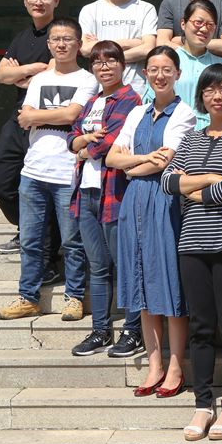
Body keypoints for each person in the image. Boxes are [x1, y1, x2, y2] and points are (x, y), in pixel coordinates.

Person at [162, 64, 222, 441]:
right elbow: (167, 181)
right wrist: (208, 179)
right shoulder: (191, 139)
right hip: (191, 243)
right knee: (201, 328)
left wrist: (194, 191)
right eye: (209, 90)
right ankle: (203, 405)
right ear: (201, 97)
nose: (217, 96)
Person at [107, 45, 197, 397]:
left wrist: (132, 164)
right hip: (133, 203)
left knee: (169, 282)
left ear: (177, 74)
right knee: (142, 284)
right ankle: (154, 366)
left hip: (164, 200)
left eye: (167, 69)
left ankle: (175, 367)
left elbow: (165, 162)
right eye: (153, 69)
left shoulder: (184, 113)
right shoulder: (137, 112)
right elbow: (112, 158)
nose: (160, 75)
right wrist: (139, 162)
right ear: (145, 74)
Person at [0, 17, 97, 321]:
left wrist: (39, 116)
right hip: (33, 171)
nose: (61, 44)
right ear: (49, 44)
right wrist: (47, 115)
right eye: (56, 39)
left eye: (68, 39)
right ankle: (28, 297)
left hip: (67, 172)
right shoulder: (39, 79)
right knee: (29, 241)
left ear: (79, 44)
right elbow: (23, 116)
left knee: (72, 242)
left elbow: (71, 115)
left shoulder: (87, 80)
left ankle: (74, 297)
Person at [66, 41, 143, 358]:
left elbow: (108, 144)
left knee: (126, 264)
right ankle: (100, 331)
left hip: (114, 192)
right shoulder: (91, 101)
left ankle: (133, 331)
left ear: (122, 65)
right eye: (98, 62)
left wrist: (83, 147)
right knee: (97, 267)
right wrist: (84, 142)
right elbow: (71, 138)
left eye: (111, 60)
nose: (104, 66)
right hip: (85, 192)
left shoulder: (130, 100)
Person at [0, 0, 62, 283]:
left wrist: (22, 74)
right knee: (1, 184)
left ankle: (49, 257)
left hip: (47, 121)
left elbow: (53, 74)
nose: (38, 2)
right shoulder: (21, 37)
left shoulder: (61, 33)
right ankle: (27, 229)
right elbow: (0, 75)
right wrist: (32, 70)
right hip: (17, 118)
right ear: (24, 0)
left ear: (56, 0)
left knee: (41, 188)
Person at [79, 0, 157, 98]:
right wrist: (130, 43)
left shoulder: (146, 9)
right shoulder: (90, 11)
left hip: (137, 92)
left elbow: (148, 49)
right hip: (100, 93)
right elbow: (86, 49)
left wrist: (101, 48)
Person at [173, 0, 222, 130]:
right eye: (198, 22)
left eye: (210, 25)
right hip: (176, 132)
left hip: (215, 134)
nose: (204, 29)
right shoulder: (168, 62)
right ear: (183, 24)